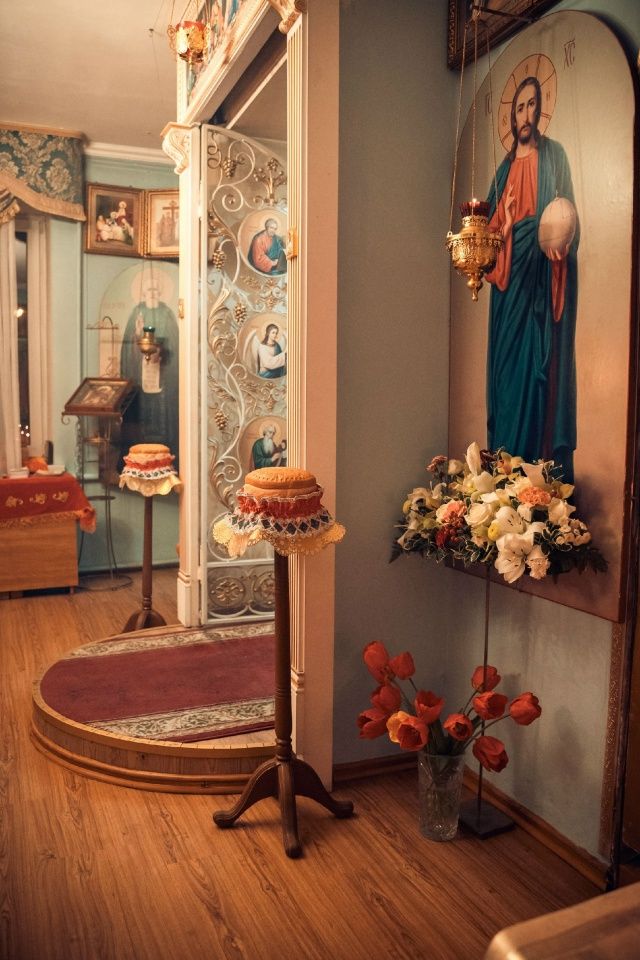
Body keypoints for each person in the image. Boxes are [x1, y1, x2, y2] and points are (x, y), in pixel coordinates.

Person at [485, 75, 578, 481]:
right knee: (507, 377)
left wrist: (559, 252)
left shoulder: (555, 157)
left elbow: (567, 218)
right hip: (509, 294)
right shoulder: (503, 171)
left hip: (540, 283)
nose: (525, 115)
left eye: (531, 105)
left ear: (540, 110)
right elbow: (486, 242)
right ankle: (503, 473)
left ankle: (534, 476)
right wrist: (506, 226)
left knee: (537, 378)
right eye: (519, 107)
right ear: (512, 114)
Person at [119, 272, 179, 469]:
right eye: (149, 290)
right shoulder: (137, 312)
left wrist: (164, 353)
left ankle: (165, 455)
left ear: (160, 292)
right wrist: (137, 334)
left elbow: (174, 342)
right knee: (142, 412)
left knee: (162, 412)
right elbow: (129, 346)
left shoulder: (167, 313)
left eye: (155, 290)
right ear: (143, 293)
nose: (152, 293)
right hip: (141, 373)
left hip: (163, 371)